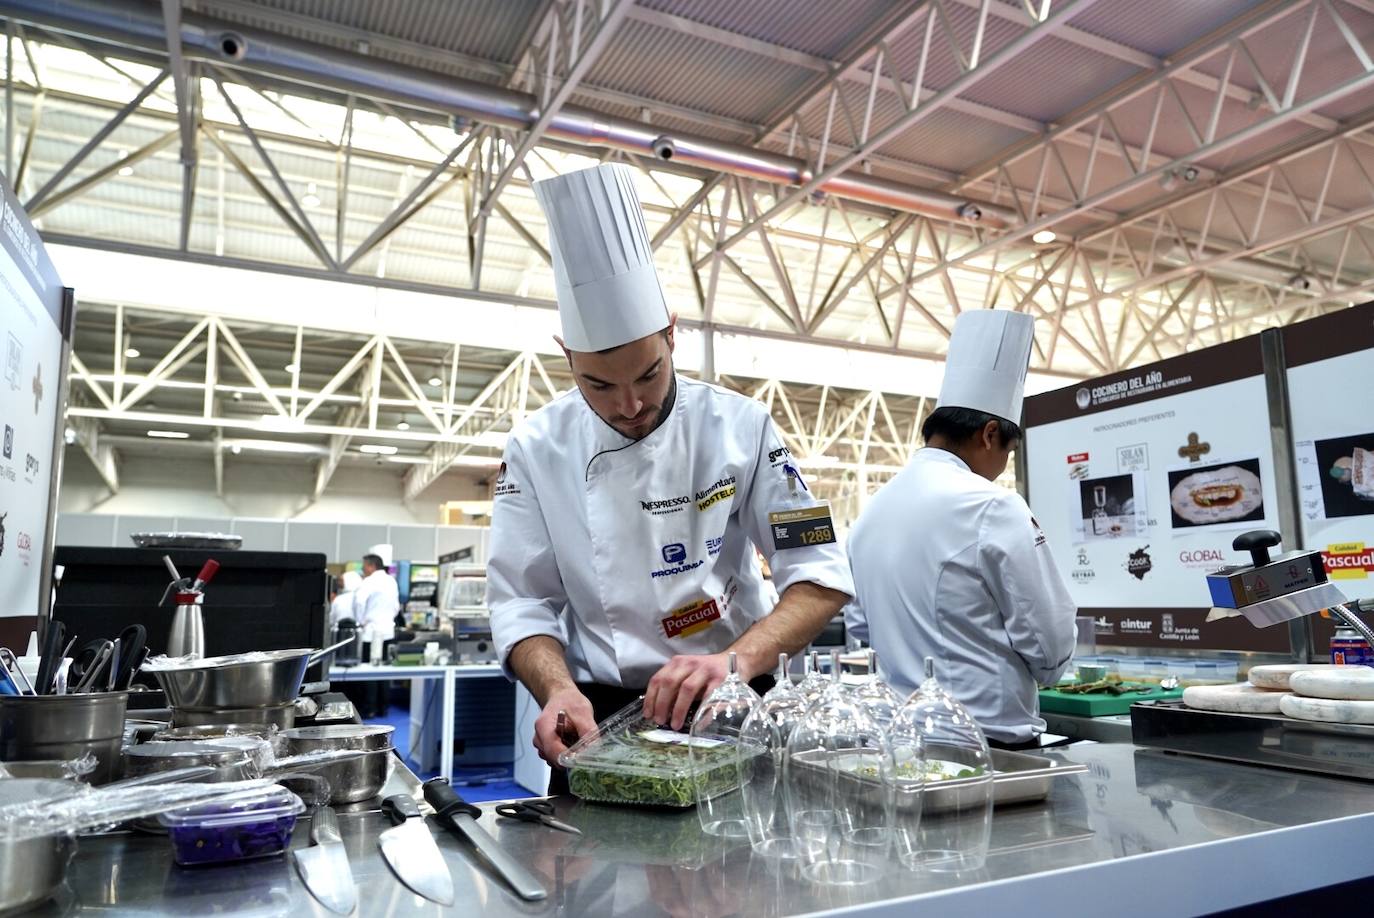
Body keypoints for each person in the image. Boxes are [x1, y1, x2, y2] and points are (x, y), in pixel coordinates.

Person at [488, 163, 854, 787]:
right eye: (598, 384)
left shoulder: (746, 427)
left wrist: (736, 662)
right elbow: (523, 602)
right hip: (598, 720)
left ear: (672, 336)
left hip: (736, 705)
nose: (629, 405)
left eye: (649, 375)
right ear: (567, 356)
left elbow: (819, 573)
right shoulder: (534, 448)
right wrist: (555, 688)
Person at [845, 310, 1076, 748]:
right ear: (990, 434)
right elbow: (1049, 642)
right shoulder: (993, 506)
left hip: (901, 742)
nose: (1002, 467)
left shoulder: (872, 512)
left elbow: (861, 625)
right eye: (1008, 450)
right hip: (987, 745)